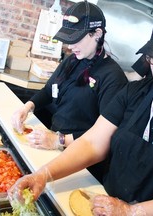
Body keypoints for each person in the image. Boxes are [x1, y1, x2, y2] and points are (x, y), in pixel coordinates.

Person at [9, 4, 153, 216]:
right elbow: (93, 143)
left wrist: (132, 212)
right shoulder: (135, 92)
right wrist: (43, 175)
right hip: (105, 204)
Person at [11, 1, 128, 152]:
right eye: (69, 40)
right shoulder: (72, 60)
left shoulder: (113, 77)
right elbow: (48, 91)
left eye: (76, 39)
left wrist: (59, 140)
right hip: (55, 143)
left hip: (80, 155)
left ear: (98, 34)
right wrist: (27, 107)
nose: (70, 46)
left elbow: (104, 135)